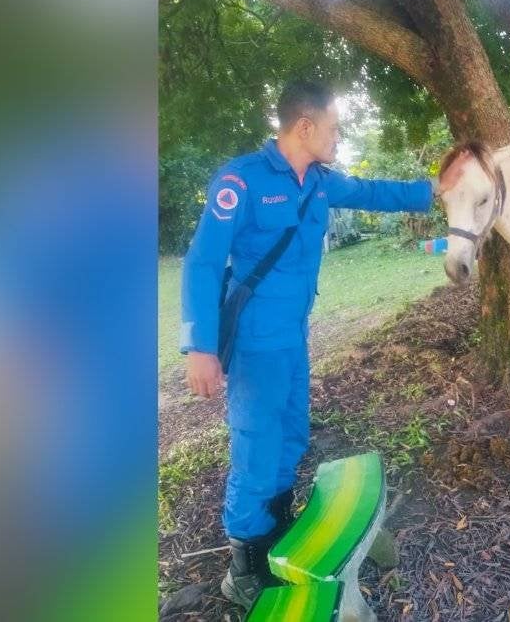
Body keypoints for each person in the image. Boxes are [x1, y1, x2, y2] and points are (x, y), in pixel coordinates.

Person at [180, 81, 436, 607]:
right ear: (305, 126)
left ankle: (275, 534)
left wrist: (437, 188)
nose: (338, 139)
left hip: (293, 337)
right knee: (257, 443)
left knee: (292, 433)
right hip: (254, 343)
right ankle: (245, 567)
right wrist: (200, 348)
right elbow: (203, 263)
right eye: (335, 128)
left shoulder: (318, 181)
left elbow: (373, 193)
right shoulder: (241, 180)